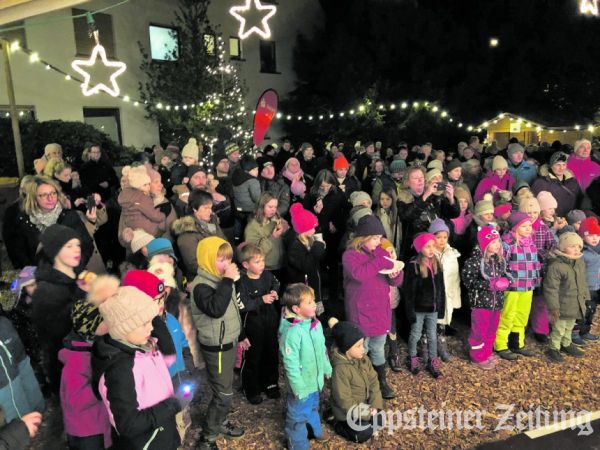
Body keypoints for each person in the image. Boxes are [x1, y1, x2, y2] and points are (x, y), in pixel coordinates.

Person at [92, 285, 182, 450]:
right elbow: (128, 424)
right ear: (123, 328)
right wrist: (172, 405)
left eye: (150, 321)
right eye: (143, 324)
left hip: (162, 435)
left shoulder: (146, 347)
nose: (151, 327)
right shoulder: (120, 370)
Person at [190, 237, 245, 449]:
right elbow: (216, 309)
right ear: (207, 259)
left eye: (229, 258)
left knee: (225, 387)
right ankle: (208, 437)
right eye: (220, 259)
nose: (227, 263)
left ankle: (220, 421)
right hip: (217, 347)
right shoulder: (201, 286)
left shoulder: (219, 279)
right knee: (223, 394)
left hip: (228, 341)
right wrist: (229, 281)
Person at [342, 215, 403, 397]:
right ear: (364, 237)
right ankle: (360, 383)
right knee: (361, 348)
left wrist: (395, 275)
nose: (380, 241)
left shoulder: (382, 253)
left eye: (380, 237)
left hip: (380, 310)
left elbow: (396, 281)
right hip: (360, 310)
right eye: (375, 237)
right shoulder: (350, 255)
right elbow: (359, 274)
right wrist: (380, 262)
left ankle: (380, 381)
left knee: (378, 346)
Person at [59, 276, 116, 450]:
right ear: (91, 328)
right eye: (103, 320)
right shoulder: (76, 362)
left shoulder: (91, 348)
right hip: (87, 432)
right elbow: (76, 401)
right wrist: (104, 388)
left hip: (97, 423)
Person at [31, 224, 84, 392]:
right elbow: (57, 332)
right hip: (65, 365)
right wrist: (84, 295)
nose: (77, 250)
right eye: (69, 246)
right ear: (55, 251)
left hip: (82, 358)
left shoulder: (76, 275)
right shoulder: (46, 290)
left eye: (77, 245)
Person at [279, 283, 332, 449]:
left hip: (314, 381)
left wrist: (326, 367)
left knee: (313, 407)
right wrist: (298, 387)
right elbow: (290, 364)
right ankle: (298, 443)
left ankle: (315, 430)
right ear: (296, 308)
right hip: (301, 386)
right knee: (297, 417)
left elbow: (321, 349)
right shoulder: (292, 333)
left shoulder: (314, 324)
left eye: (313, 301)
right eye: (309, 302)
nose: (314, 304)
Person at [6, 176, 94, 270]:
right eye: (44, 195)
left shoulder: (69, 216)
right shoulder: (24, 222)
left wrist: (73, 266)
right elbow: (21, 254)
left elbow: (86, 245)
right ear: (34, 198)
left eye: (53, 193)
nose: (50, 198)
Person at [327, 318, 383, 444]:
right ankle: (336, 422)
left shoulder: (363, 359)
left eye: (363, 344)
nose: (363, 349)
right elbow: (345, 401)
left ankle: (365, 420)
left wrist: (374, 405)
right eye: (358, 346)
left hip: (364, 406)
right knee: (364, 433)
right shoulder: (340, 370)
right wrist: (368, 413)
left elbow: (374, 381)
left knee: (380, 421)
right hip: (346, 412)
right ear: (346, 349)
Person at [462, 226, 511, 370]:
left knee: (491, 330)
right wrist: (489, 284)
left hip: (497, 303)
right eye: (493, 242)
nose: (497, 245)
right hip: (481, 304)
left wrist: (508, 281)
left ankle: (486, 353)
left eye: (498, 242)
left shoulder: (499, 260)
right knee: (480, 332)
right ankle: (477, 357)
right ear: (485, 243)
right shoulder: (475, 261)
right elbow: (468, 281)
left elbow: (507, 274)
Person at [237, 244, 280, 405]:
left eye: (262, 261)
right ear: (246, 265)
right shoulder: (241, 282)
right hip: (253, 324)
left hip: (270, 321)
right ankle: (251, 388)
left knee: (271, 353)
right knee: (253, 356)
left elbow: (276, 283)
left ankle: (270, 383)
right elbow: (242, 305)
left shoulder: (267, 276)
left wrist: (275, 292)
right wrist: (261, 300)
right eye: (257, 262)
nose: (262, 265)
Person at [494, 212, 540, 360]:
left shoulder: (531, 243)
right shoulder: (507, 244)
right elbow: (501, 264)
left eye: (529, 226)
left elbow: (534, 264)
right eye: (524, 226)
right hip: (512, 287)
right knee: (507, 315)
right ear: (515, 227)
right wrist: (505, 279)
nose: (528, 229)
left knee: (522, 315)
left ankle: (517, 343)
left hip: (528, 286)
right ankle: (501, 344)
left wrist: (535, 280)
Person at [403, 233, 445, 378]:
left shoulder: (436, 263)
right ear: (420, 248)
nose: (431, 249)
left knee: (433, 336)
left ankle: (432, 361)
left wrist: (441, 308)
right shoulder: (414, 266)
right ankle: (412, 358)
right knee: (415, 334)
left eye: (433, 246)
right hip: (418, 309)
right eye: (428, 246)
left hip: (433, 309)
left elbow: (441, 287)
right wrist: (410, 312)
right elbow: (408, 292)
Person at [303, 170, 348, 303]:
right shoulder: (311, 195)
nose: (325, 189)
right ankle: (319, 293)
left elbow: (345, 211)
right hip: (316, 233)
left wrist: (337, 224)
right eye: (322, 187)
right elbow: (305, 214)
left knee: (333, 263)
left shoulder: (338, 193)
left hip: (332, 234)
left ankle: (334, 293)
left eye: (328, 186)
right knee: (318, 263)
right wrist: (315, 212)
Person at [544, 232, 589, 362]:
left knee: (570, 326)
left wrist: (585, 297)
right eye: (572, 246)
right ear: (563, 248)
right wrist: (554, 308)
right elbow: (551, 289)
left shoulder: (579, 262)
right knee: (559, 329)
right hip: (561, 305)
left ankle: (566, 343)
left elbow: (583, 281)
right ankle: (554, 347)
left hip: (575, 302)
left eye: (578, 247)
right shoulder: (556, 266)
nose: (576, 250)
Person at [397, 166, 460, 259]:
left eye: (422, 177)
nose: (420, 180)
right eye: (415, 178)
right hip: (416, 247)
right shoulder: (403, 198)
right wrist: (425, 196)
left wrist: (451, 198)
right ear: (407, 182)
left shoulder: (434, 195)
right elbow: (408, 216)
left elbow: (454, 214)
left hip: (436, 244)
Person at [518, 196, 556, 343]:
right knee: (523, 300)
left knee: (540, 300)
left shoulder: (543, 227)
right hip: (523, 270)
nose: (532, 216)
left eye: (535, 212)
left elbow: (552, 244)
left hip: (540, 270)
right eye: (529, 213)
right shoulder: (518, 228)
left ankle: (540, 329)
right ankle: (522, 326)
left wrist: (543, 255)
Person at [171, 189, 226, 281]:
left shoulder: (213, 222)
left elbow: (225, 243)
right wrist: (216, 272)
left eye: (211, 208)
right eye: (205, 208)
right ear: (194, 209)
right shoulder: (187, 232)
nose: (210, 211)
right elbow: (192, 264)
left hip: (221, 269)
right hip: (201, 278)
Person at [0, 315, 44, 425]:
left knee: (30, 390)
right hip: (5, 383)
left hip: (18, 364)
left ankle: (37, 416)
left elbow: (21, 358)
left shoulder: (4, 323)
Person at [428, 219, 461, 362]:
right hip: (433, 296)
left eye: (444, 237)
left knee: (442, 323)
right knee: (429, 323)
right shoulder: (428, 254)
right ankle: (429, 348)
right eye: (438, 237)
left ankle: (441, 344)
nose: (441, 240)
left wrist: (455, 298)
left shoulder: (452, 254)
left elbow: (455, 278)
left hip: (447, 295)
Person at [286, 203, 326, 315]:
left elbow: (316, 261)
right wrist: (318, 247)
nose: (314, 229)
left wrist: (320, 247)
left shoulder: (308, 240)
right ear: (303, 229)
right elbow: (307, 266)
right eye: (312, 227)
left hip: (312, 284)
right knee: (306, 312)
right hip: (303, 288)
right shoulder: (295, 246)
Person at [244, 192, 289, 276]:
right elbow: (254, 254)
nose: (273, 210)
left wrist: (284, 230)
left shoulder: (275, 219)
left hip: (280, 264)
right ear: (261, 207)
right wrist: (273, 237)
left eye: (275, 207)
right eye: (270, 207)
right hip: (265, 269)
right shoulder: (251, 227)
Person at [118, 166, 166, 237]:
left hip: (132, 227)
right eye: (145, 185)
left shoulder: (125, 196)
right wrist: (163, 216)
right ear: (137, 186)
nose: (148, 187)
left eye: (149, 184)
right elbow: (152, 214)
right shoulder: (142, 198)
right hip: (145, 228)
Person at [532, 151, 582, 217]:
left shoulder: (573, 182)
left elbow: (579, 200)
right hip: (551, 221)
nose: (561, 168)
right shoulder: (540, 183)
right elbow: (534, 205)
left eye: (564, 164)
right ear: (551, 166)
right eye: (558, 165)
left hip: (570, 220)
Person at [574, 217, 600, 343]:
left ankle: (585, 331)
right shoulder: (581, 252)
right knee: (581, 311)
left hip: (596, 286)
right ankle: (574, 334)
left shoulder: (598, 250)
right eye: (590, 235)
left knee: (591, 310)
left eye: (597, 235)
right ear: (583, 237)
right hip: (584, 287)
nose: (594, 238)